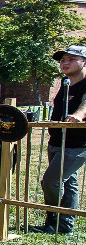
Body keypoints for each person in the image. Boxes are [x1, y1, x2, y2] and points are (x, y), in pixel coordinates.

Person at [34, 45, 86, 234]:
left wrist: (78, 116)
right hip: (56, 141)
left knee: (51, 181)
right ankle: (65, 227)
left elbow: (84, 105)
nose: (65, 63)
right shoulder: (65, 83)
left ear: (84, 62)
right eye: (63, 60)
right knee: (69, 182)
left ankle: (53, 217)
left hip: (77, 145)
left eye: (71, 59)